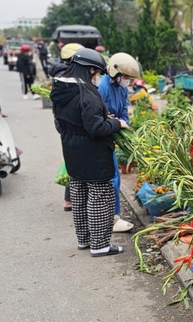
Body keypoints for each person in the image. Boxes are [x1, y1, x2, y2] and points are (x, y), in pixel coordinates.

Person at [50, 48, 128, 257]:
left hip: (72, 151)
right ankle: (100, 245)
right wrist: (115, 123)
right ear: (90, 69)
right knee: (100, 197)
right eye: (97, 73)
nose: (98, 77)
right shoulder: (87, 94)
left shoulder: (61, 90)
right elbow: (97, 129)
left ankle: (84, 240)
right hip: (93, 154)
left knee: (80, 195)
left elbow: (63, 122)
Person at [97, 52, 140, 233]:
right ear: (115, 73)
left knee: (115, 177)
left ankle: (111, 215)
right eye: (126, 77)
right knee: (112, 177)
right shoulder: (102, 87)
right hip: (103, 135)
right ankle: (112, 218)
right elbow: (98, 114)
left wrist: (124, 123)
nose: (127, 81)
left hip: (114, 133)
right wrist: (112, 121)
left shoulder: (122, 89)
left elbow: (123, 110)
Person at [48, 43, 85, 212]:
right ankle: (76, 200)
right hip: (73, 122)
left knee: (72, 157)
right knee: (79, 160)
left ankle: (69, 200)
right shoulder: (71, 76)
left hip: (60, 121)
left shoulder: (58, 75)